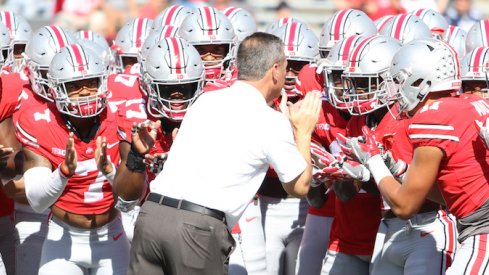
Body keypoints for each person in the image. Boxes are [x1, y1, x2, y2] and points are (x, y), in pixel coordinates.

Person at [124, 32, 322, 275]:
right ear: (275, 70)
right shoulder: (270, 120)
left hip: (152, 215)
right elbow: (300, 186)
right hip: (197, 228)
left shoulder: (206, 100)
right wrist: (303, 132)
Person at [343, 38, 489, 275]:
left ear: (420, 81)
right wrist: (398, 169)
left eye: (399, 81)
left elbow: (404, 207)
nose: (395, 91)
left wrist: (374, 161)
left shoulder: (433, 116)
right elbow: (451, 193)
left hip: (483, 234)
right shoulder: (469, 103)